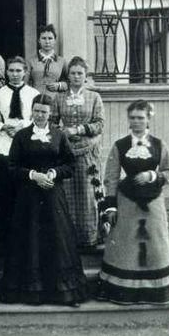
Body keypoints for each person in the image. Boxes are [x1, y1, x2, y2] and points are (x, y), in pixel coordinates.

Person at [0, 94, 87, 306]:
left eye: (44, 112)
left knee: (57, 240)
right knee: (30, 240)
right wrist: (33, 175)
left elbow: (70, 164)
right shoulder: (21, 136)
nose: (40, 115)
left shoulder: (59, 135)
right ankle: (32, 292)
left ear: (50, 113)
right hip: (28, 199)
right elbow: (11, 167)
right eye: (37, 111)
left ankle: (62, 292)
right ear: (32, 111)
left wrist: (53, 173)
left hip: (53, 196)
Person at [97, 100, 169, 304]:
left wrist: (152, 175)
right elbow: (111, 177)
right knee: (127, 249)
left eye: (140, 118)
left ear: (148, 119)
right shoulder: (120, 145)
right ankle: (125, 293)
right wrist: (111, 206)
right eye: (132, 118)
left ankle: (154, 293)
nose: (136, 122)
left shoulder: (159, 144)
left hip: (153, 203)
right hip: (127, 202)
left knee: (156, 247)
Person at [0, 56, 39, 257]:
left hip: (26, 145)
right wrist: (3, 127)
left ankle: (26, 242)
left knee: (25, 195)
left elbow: (38, 119)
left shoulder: (33, 94)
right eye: (11, 70)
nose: (15, 74)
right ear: (6, 72)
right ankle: (4, 242)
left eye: (18, 70)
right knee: (3, 193)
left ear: (25, 72)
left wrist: (22, 127)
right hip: (4, 146)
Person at [50, 56, 105, 248]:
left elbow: (100, 124)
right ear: (68, 76)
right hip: (66, 152)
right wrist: (62, 132)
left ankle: (89, 237)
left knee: (88, 193)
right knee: (67, 194)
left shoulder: (94, 97)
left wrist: (78, 130)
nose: (76, 76)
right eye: (72, 73)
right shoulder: (59, 97)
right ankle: (69, 239)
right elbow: (52, 122)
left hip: (88, 151)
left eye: (79, 73)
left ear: (85, 75)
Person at [28, 24, 68, 94]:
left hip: (55, 98)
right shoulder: (30, 61)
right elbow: (25, 83)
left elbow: (71, 81)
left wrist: (59, 85)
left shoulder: (62, 61)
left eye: (50, 38)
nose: (47, 42)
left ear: (55, 40)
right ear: (39, 40)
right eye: (44, 38)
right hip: (35, 98)